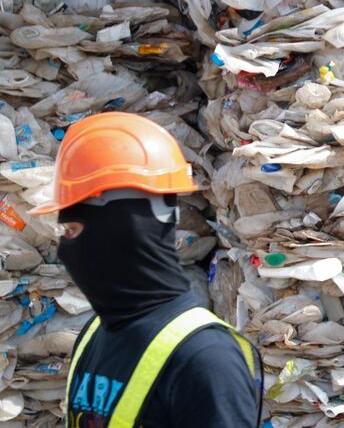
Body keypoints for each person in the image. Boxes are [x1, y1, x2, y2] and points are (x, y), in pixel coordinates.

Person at [29, 112, 262, 428]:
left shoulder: (205, 358)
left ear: (121, 231)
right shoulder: (94, 334)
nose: (67, 251)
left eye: (72, 231)